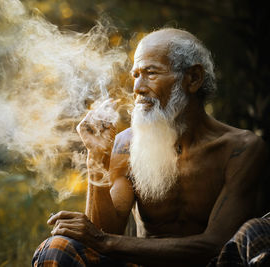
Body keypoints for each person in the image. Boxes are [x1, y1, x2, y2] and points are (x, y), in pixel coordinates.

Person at [32, 28, 269, 266]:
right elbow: (102, 234)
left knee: (258, 231)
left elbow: (216, 244)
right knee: (59, 246)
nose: (138, 87)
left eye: (150, 73)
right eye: (136, 75)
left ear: (194, 79)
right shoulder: (127, 144)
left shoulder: (242, 149)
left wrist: (104, 241)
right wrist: (96, 159)